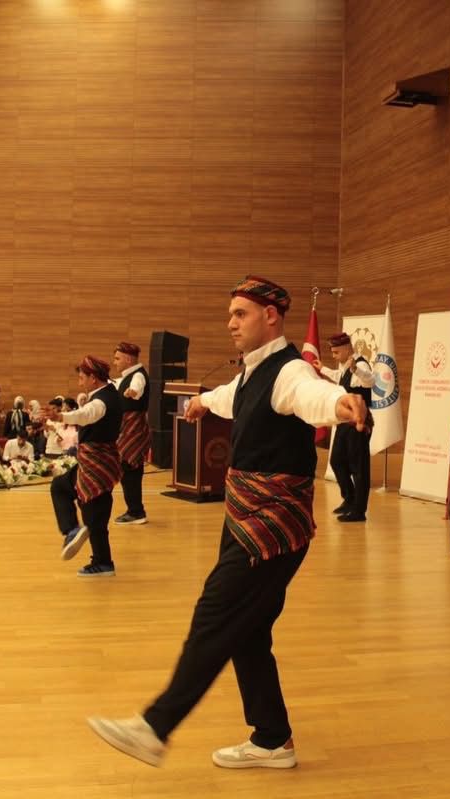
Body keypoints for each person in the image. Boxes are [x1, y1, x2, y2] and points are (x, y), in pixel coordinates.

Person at [87, 275, 368, 768]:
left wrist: (339, 404)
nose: (231, 323)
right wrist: (200, 402)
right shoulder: (252, 373)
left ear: (271, 316)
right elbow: (228, 395)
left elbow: (310, 395)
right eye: (230, 315)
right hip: (245, 515)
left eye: (241, 314)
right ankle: (272, 738)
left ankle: (155, 727)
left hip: (271, 526)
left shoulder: (288, 371)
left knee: (216, 614)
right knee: (248, 629)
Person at [53, 356, 123, 576]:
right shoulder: (109, 394)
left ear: (93, 378)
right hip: (96, 460)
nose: (80, 382)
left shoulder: (101, 401)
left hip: (97, 462)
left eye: (82, 378)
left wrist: (61, 416)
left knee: (94, 512)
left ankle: (103, 562)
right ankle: (73, 531)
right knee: (61, 486)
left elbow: (86, 415)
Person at [315, 332, 375, 522]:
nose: (334, 356)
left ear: (347, 348)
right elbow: (341, 377)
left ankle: (359, 511)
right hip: (344, 423)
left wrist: (356, 369)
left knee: (359, 467)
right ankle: (349, 499)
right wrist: (323, 369)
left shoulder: (361, 365)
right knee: (336, 461)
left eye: (336, 352)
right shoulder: (345, 366)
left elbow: (370, 380)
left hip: (359, 423)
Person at [112, 341, 151, 525]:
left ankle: (136, 512)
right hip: (128, 427)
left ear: (128, 359)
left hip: (133, 428)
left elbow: (137, 388)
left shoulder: (138, 376)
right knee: (129, 470)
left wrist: (133, 392)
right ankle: (135, 510)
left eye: (117, 358)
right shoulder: (128, 376)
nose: (115, 362)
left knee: (130, 469)